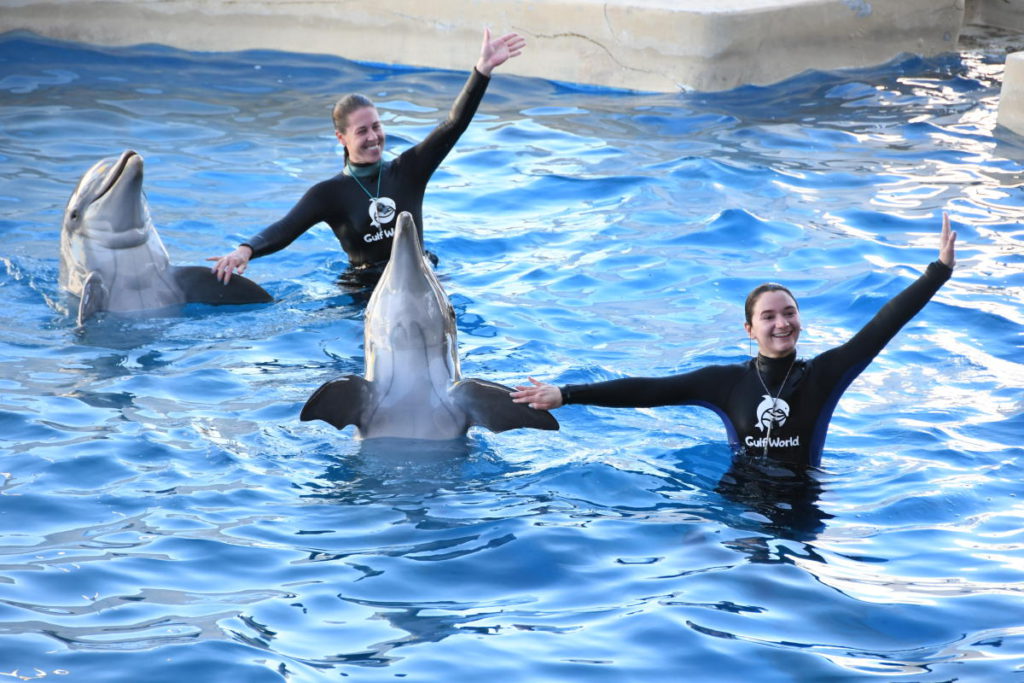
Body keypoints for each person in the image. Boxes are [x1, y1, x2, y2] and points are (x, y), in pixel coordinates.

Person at [511, 214, 958, 468]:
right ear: (750, 330)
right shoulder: (724, 383)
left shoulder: (825, 374)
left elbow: (882, 326)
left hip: (804, 503)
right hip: (737, 500)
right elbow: (651, 389)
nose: (781, 323)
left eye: (789, 313)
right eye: (768, 316)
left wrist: (936, 273)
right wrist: (566, 394)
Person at [209, 28, 526, 286]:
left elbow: (453, 124)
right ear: (341, 138)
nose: (373, 137)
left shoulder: (409, 171)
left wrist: (482, 70)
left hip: (421, 279)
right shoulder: (328, 194)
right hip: (366, 292)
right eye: (361, 131)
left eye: (376, 126)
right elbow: (284, 228)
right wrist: (244, 250)